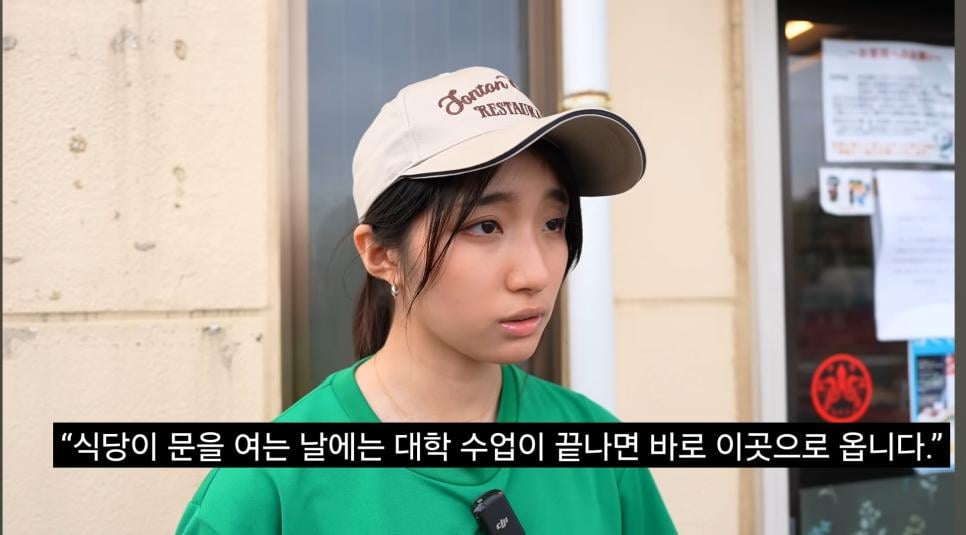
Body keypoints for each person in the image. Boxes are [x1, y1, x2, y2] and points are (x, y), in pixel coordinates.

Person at [175, 66, 676, 534]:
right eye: (486, 226)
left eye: (552, 223)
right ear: (380, 254)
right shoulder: (265, 490)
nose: (536, 273)